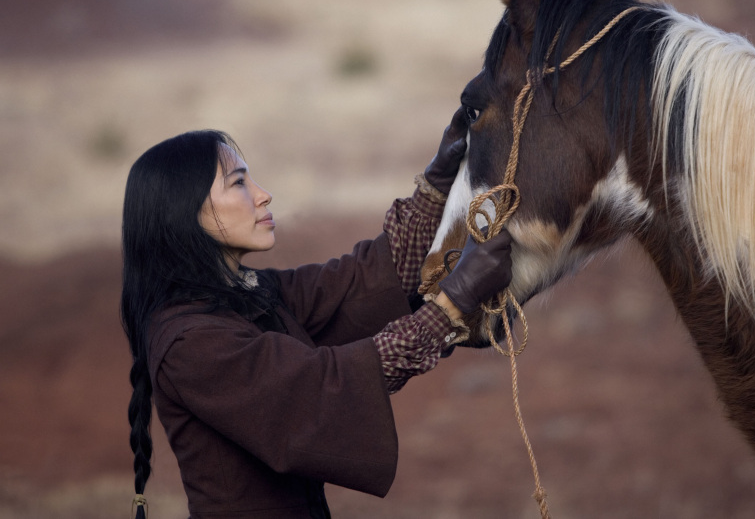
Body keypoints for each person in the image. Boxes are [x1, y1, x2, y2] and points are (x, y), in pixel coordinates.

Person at [120, 110, 513, 519]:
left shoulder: (251, 293)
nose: (262, 194)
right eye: (238, 183)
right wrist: (452, 303)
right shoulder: (190, 342)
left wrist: (436, 182)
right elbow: (316, 389)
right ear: (186, 214)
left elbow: (361, 282)